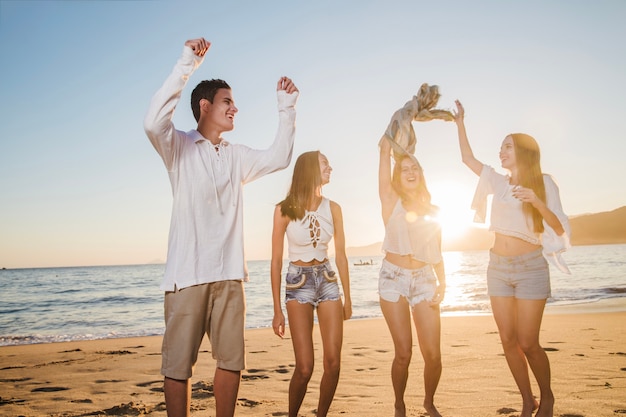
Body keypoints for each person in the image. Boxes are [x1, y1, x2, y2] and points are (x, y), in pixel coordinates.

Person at [143, 37, 299, 417]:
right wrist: (187, 64)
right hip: (187, 275)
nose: (235, 108)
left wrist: (287, 108)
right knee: (178, 367)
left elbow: (279, 157)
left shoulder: (236, 155)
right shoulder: (178, 147)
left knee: (231, 361)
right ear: (205, 106)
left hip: (230, 276)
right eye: (228, 102)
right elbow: (152, 121)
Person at [452, 100, 570, 417]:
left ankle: (547, 397)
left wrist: (536, 201)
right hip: (498, 268)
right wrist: (460, 122)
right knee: (508, 340)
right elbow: (467, 158)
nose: (501, 152)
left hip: (531, 267)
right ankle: (526, 398)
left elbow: (559, 227)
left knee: (529, 342)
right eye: (501, 147)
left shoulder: (544, 183)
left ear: (524, 152)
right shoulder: (497, 180)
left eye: (508, 147)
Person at [270, 151, 352, 417]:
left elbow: (341, 255)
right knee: (305, 367)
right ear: (309, 170)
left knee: (333, 363)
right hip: (298, 283)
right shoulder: (283, 209)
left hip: (328, 281)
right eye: (325, 163)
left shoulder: (334, 208)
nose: (331, 167)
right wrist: (277, 310)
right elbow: (275, 261)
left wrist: (348, 298)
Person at [378, 136, 446, 417]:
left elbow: (437, 250)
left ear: (421, 175)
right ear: (397, 175)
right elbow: (384, 156)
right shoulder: (390, 200)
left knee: (433, 355)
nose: (410, 171)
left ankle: (429, 402)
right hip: (393, 279)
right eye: (404, 168)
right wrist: (386, 146)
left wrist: (444, 281)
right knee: (403, 353)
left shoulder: (434, 210)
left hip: (425, 279)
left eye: (414, 167)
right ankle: (399, 403)